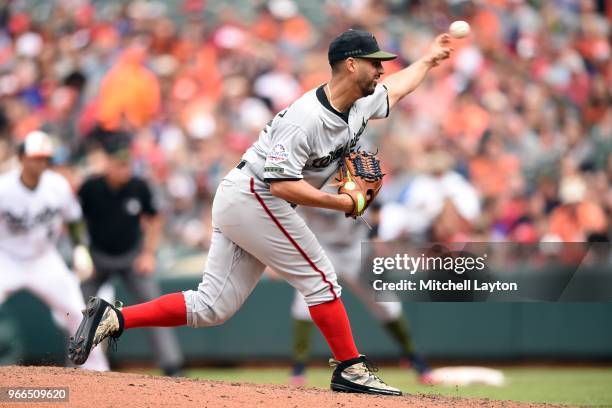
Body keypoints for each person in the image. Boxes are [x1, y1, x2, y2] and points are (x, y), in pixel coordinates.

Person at [69, 29, 453, 395]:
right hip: (255, 196)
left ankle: (114, 318)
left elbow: (397, 88)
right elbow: (280, 185)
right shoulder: (306, 118)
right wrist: (342, 203)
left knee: (212, 307)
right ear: (351, 64)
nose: (381, 69)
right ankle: (350, 368)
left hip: (248, 200)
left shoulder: (359, 104)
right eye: (374, 62)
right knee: (321, 278)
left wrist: (429, 59)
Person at [288, 197, 435, 386]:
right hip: (321, 248)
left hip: (355, 248)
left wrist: (376, 236)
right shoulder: (304, 181)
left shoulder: (351, 173)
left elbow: (377, 206)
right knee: (302, 304)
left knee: (386, 305)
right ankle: (298, 368)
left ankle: (415, 358)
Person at [0, 130, 108, 371]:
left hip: (44, 260)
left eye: (45, 158)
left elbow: (74, 219)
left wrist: (80, 248)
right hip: (6, 259)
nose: (41, 163)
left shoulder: (57, 186)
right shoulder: (3, 188)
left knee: (78, 313)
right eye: (35, 157)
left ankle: (99, 374)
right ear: (21, 159)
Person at [77, 133, 184, 376]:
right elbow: (73, 219)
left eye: (127, 163)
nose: (124, 169)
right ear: (107, 163)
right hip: (98, 258)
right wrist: (81, 252)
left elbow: (156, 218)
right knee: (78, 309)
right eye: (119, 163)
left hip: (131, 257)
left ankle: (172, 366)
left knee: (155, 306)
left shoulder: (139, 186)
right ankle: (76, 366)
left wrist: (148, 253)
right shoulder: (90, 187)